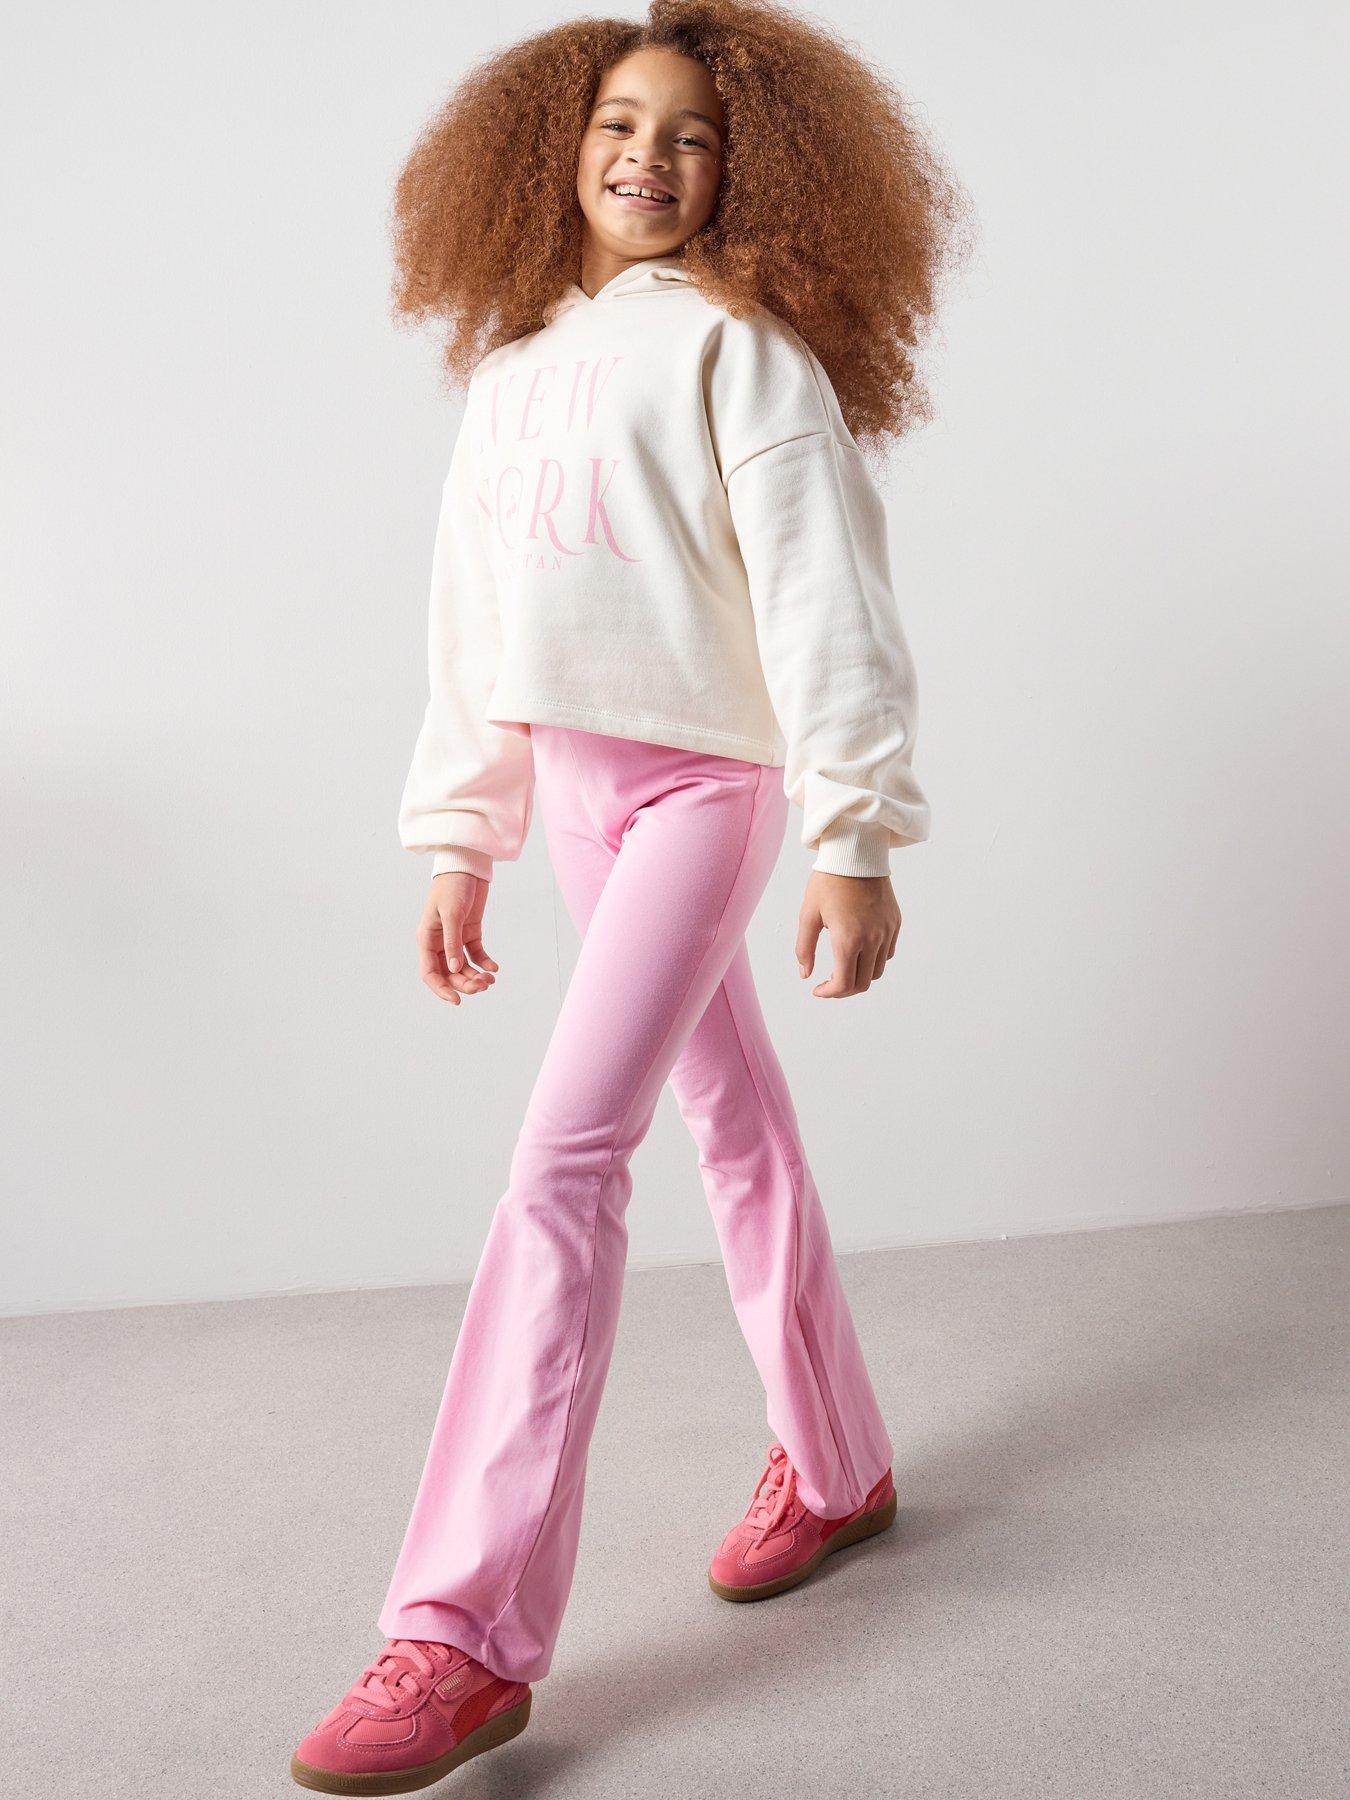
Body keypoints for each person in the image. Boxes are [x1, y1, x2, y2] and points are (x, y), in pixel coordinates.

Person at [290, 1, 969, 1790]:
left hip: (701, 789)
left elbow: (824, 597)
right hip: (577, 797)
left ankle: (460, 1635)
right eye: (614, 123)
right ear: (550, 149)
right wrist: (461, 835)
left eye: (688, 134)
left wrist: (851, 836)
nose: (646, 157)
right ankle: (839, 1464)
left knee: (562, 1165)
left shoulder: (741, 351)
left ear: (748, 171)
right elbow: (474, 628)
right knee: (733, 1124)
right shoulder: (513, 370)